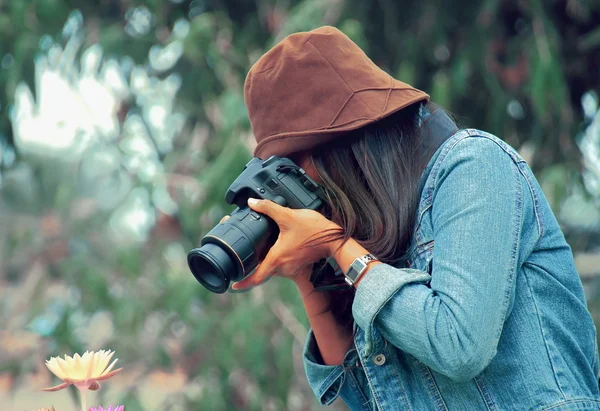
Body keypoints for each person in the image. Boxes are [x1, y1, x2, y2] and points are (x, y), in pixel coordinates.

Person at [227, 26, 600, 410]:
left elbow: (460, 345)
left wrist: (337, 247)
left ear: (341, 145)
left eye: (291, 169)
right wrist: (308, 273)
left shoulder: (473, 165)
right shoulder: (371, 245)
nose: (296, 189)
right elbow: (369, 400)